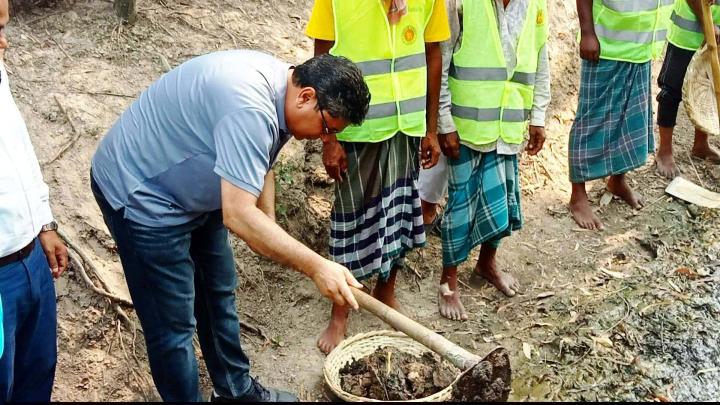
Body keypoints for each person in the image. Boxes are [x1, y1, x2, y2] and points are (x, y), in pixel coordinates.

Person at [90, 50, 370, 402]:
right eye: (327, 129)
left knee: (217, 294)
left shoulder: (285, 88)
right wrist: (317, 266)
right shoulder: (250, 106)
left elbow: (261, 160)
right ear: (307, 96)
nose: (325, 139)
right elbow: (238, 215)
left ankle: (236, 393)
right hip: (142, 196)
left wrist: (267, 224)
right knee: (173, 327)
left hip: (198, 191)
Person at [305, 0, 449, 353]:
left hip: (406, 126)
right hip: (357, 128)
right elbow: (320, 61)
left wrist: (430, 129)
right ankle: (340, 310)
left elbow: (433, 55)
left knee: (399, 214)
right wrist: (330, 138)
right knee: (350, 220)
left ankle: (386, 289)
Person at [430, 0, 550, 321]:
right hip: (466, 126)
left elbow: (540, 59)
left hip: (509, 122)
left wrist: (538, 116)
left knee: (502, 199)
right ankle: (448, 280)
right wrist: (444, 122)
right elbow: (441, 58)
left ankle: (486, 263)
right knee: (461, 206)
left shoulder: (535, 5)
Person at [0, 0, 69, 400]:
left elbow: (17, 144)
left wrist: (42, 220)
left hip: (30, 261)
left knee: (38, 372)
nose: (4, 44)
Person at [569, 0, 673, 231]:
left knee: (629, 123)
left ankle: (617, 180)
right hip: (606, 46)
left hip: (641, 48)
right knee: (591, 123)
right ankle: (578, 195)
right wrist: (587, 33)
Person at [656, 0, 720, 179]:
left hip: (716, 33)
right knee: (671, 92)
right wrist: (706, 23)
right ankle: (664, 151)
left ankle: (701, 144)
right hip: (687, 35)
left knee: (708, 88)